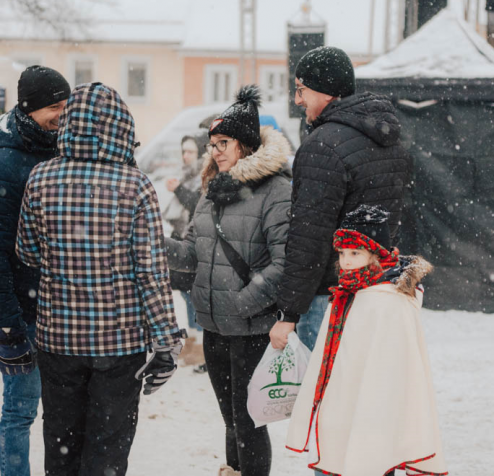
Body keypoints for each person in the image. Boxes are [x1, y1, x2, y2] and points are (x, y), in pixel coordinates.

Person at [16, 82, 184, 476]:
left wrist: (64, 260)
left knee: (61, 444)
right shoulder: (136, 185)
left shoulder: (41, 178)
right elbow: (151, 273)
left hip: (58, 338)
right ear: (122, 127)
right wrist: (165, 342)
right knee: (107, 452)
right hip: (118, 341)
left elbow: (27, 253)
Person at [167, 85, 292, 476]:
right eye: (212, 144)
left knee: (249, 420)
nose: (215, 150)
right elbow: (191, 254)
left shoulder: (277, 191)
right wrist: (154, 239)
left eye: (224, 142)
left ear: (247, 145)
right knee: (230, 418)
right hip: (215, 327)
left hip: (251, 326)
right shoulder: (210, 192)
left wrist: (242, 303)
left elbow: (284, 263)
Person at [286, 204, 447, 476]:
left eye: (356, 253)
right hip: (341, 404)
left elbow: (394, 370)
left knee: (370, 460)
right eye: (342, 253)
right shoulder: (347, 292)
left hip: (376, 412)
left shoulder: (388, 301)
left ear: (375, 256)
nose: (346, 261)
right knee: (337, 456)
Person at [269, 46, 411, 351]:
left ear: (325, 91)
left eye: (301, 89)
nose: (297, 100)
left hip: (329, 299)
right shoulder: (391, 139)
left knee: (324, 394)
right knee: (358, 392)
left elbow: (309, 236)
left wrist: (288, 312)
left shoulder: (321, 145)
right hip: (376, 290)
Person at [0, 65, 70, 476]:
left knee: (64, 417)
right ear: (29, 108)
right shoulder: (3, 162)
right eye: (54, 106)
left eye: (67, 103)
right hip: (26, 315)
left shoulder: (65, 151)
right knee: (19, 413)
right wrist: (9, 325)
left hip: (64, 315)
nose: (63, 113)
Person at [164, 132, 206, 363]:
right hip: (181, 239)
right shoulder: (186, 173)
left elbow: (195, 203)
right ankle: (192, 342)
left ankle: (198, 346)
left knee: (192, 295)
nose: (186, 156)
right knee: (184, 294)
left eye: (190, 151)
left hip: (192, 240)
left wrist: (178, 188)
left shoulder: (202, 173)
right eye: (183, 151)